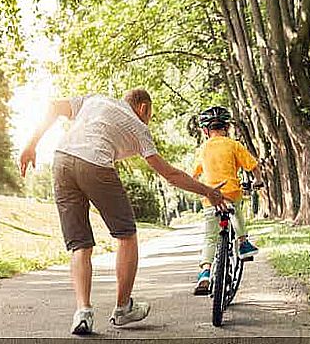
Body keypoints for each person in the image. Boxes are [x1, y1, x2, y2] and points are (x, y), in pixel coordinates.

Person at [19, 89, 226, 335]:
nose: (149, 119)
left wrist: (31, 145)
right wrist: (208, 191)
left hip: (62, 161)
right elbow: (170, 174)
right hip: (95, 163)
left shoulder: (95, 99)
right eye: (149, 114)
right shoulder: (139, 128)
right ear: (143, 108)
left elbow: (53, 105)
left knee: (80, 244)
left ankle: (83, 311)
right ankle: (122, 308)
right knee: (126, 235)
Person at [192, 106, 263, 296]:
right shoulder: (234, 145)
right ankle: (243, 242)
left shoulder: (203, 149)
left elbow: (194, 173)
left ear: (206, 130)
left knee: (210, 237)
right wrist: (258, 181)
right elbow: (253, 165)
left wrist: (198, 187)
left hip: (210, 196)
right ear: (227, 127)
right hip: (231, 192)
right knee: (236, 213)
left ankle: (205, 272)